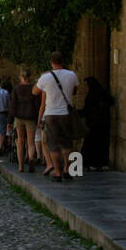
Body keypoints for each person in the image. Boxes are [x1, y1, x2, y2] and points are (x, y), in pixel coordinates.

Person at [35, 51, 79, 182]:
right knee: (67, 143)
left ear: (51, 62)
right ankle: (66, 170)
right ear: (63, 61)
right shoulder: (71, 75)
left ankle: (57, 172)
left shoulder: (45, 77)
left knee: (53, 144)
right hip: (65, 113)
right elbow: (74, 91)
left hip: (51, 114)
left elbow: (35, 91)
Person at [80, 77, 114, 169]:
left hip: (93, 124)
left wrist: (79, 113)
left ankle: (87, 163)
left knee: (90, 144)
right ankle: (100, 163)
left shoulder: (92, 95)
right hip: (104, 123)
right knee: (101, 143)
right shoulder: (103, 93)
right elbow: (111, 102)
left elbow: (87, 109)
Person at [11, 68, 40, 173]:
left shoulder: (16, 89)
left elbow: (13, 105)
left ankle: (20, 166)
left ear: (21, 77)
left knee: (20, 141)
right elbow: (37, 105)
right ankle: (31, 158)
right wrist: (38, 118)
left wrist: (9, 121)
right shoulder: (33, 88)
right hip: (31, 117)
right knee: (31, 142)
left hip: (19, 118)